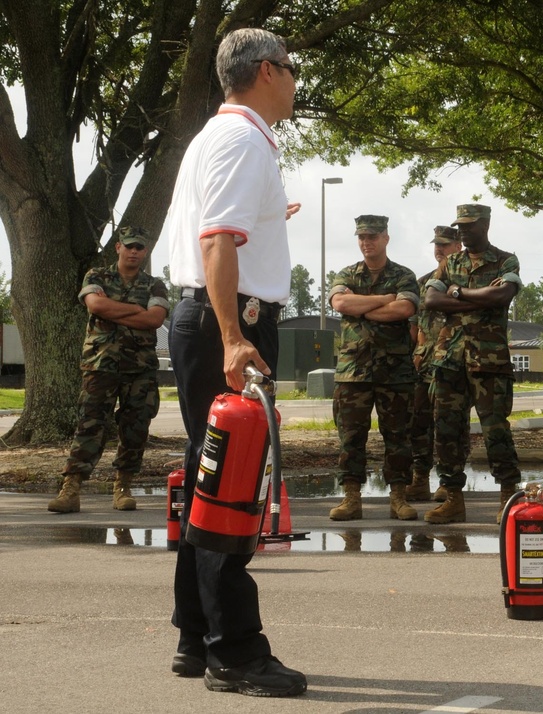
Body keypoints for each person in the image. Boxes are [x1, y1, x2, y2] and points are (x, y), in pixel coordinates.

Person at [164, 28, 306, 696]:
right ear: (269, 71)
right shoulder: (242, 139)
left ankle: (197, 636)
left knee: (208, 472)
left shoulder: (217, 137)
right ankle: (237, 652)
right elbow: (218, 240)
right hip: (233, 320)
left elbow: (226, 231)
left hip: (216, 315)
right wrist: (232, 337)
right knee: (233, 481)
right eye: (293, 68)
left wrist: (275, 215)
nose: (297, 80)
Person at [47, 226, 169, 514]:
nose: (134, 251)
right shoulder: (97, 276)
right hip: (100, 364)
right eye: (129, 246)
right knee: (90, 425)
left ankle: (123, 487)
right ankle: (71, 489)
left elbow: (154, 319)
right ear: (118, 247)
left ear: (145, 251)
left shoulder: (155, 285)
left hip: (140, 370)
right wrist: (134, 311)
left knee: (136, 427)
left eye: (140, 247)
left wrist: (113, 310)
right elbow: (95, 304)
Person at [422, 204, 523, 525]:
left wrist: (458, 292)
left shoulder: (505, 260)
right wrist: (477, 295)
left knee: (496, 431)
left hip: (489, 361)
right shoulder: (451, 261)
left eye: (469, 225)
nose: (463, 231)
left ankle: (508, 493)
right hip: (449, 359)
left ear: (486, 224)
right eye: (460, 226)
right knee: (447, 430)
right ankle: (452, 498)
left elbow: (502, 297)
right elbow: (431, 301)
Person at [327, 215, 419, 521]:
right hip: (353, 371)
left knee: (398, 437)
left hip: (394, 372)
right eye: (362, 237)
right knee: (350, 437)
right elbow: (340, 304)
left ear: (386, 238)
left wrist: (362, 306)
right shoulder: (347, 274)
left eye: (373, 237)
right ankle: (351, 498)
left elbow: (404, 309)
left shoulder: (404, 275)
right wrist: (382, 300)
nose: (367, 242)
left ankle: (399, 498)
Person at [406, 225, 469, 502]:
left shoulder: (468, 280)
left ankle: (449, 481)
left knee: (451, 425)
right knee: (418, 423)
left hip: (455, 362)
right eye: (436, 244)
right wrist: (417, 353)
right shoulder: (424, 283)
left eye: (445, 244)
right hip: (425, 363)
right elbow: (414, 325)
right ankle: (420, 478)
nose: (439, 249)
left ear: (459, 247)